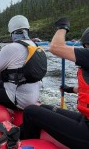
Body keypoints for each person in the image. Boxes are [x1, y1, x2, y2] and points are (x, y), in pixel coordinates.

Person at [21, 17, 89, 149]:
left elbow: (55, 47)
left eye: (86, 47)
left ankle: (25, 144)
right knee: (44, 107)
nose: (85, 49)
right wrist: (69, 89)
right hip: (85, 119)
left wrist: (63, 27)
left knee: (30, 111)